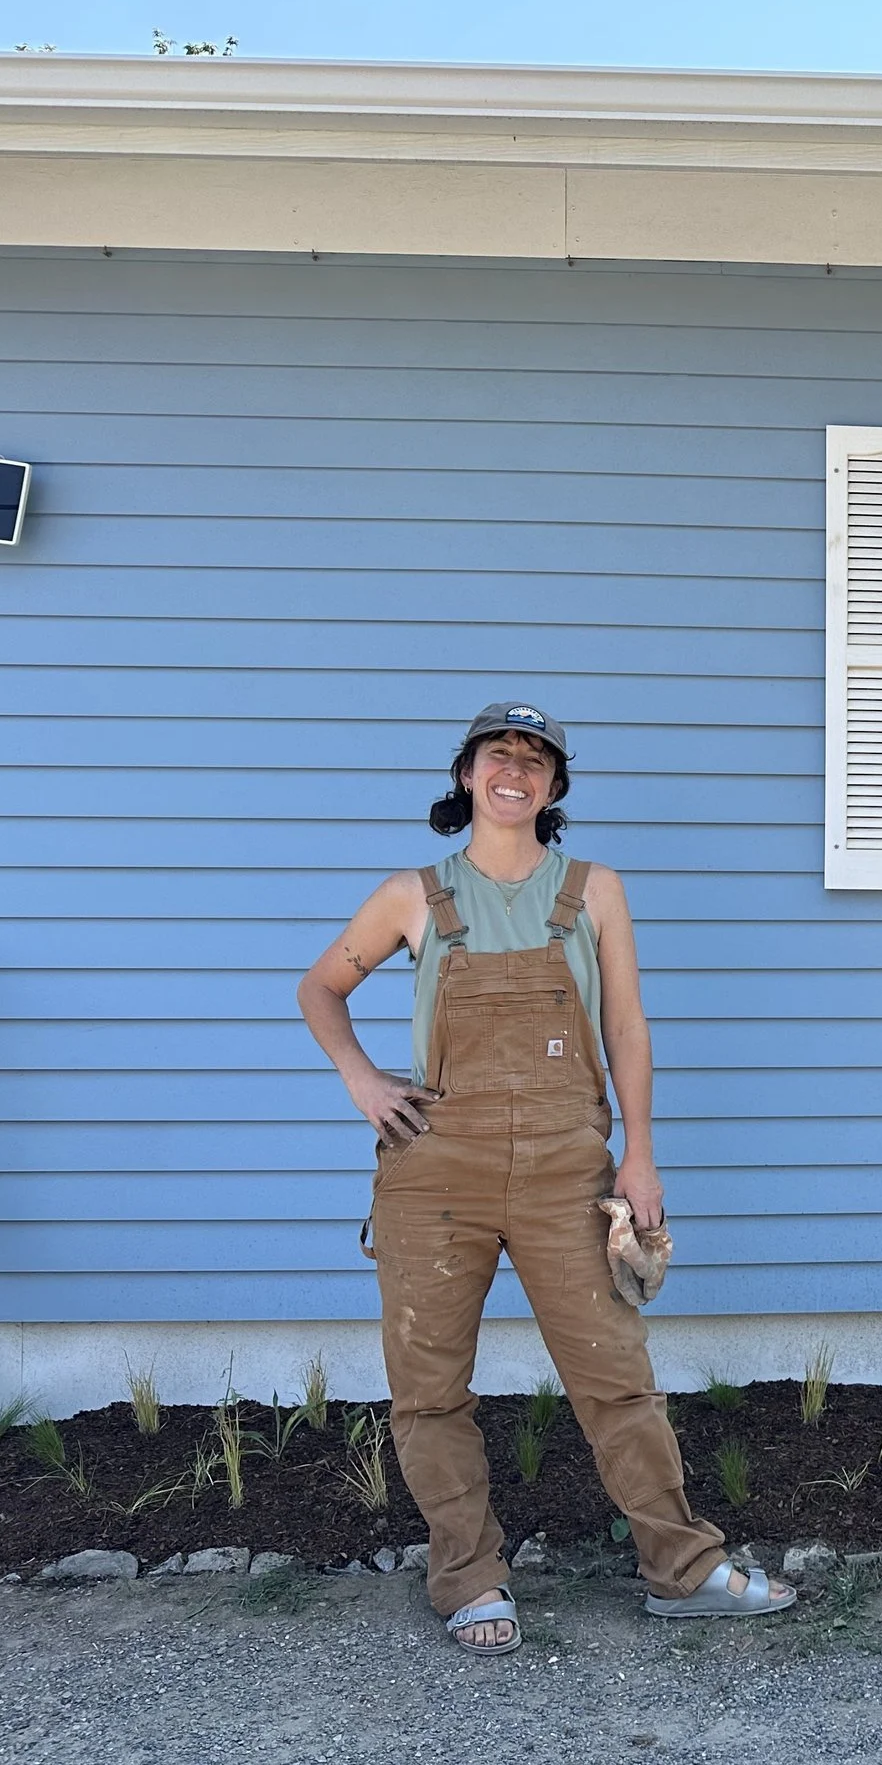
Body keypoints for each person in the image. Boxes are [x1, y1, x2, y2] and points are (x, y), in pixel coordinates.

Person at [296, 702, 794, 1654]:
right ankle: (469, 1575)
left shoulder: (594, 890)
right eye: (498, 754)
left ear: (554, 785)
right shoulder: (413, 896)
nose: (514, 771)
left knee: (616, 1378)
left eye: (534, 759)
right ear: (467, 773)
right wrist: (363, 1080)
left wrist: (639, 1155)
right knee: (430, 1387)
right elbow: (319, 987)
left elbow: (627, 1027)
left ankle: (682, 1568)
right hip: (437, 1172)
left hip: (569, 1165)